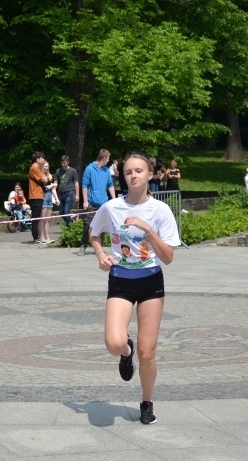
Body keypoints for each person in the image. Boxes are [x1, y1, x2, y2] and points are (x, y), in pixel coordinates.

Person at [88, 153, 180, 424]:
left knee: (147, 352)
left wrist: (148, 230)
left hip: (151, 280)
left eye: (139, 171)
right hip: (120, 279)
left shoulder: (160, 210)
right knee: (114, 343)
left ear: (150, 174)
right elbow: (94, 234)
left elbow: (168, 257)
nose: (134, 175)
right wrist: (100, 254)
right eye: (128, 172)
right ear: (123, 176)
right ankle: (125, 352)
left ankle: (147, 402)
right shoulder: (111, 207)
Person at [77, 148, 116, 256]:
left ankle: (99, 247)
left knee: (102, 226)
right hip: (92, 202)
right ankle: (83, 245)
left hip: (103, 203)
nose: (108, 160)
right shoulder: (90, 169)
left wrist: (114, 199)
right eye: (108, 158)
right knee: (88, 225)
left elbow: (110, 185)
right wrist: (85, 201)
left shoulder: (106, 170)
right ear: (103, 157)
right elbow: (84, 185)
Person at [27, 152, 47, 244]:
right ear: (37, 159)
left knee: (38, 217)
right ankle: (35, 237)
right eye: (42, 158)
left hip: (39, 195)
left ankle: (37, 237)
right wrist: (44, 175)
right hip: (35, 195)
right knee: (36, 217)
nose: (43, 160)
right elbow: (45, 180)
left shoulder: (37, 168)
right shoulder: (34, 168)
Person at [55, 155, 79, 226]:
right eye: (62, 163)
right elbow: (56, 182)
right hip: (60, 192)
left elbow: (76, 182)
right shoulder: (58, 171)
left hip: (69, 192)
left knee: (66, 211)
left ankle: (69, 226)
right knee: (61, 212)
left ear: (68, 162)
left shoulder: (72, 170)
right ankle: (71, 222)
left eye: (65, 163)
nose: (63, 165)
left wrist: (77, 194)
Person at [39, 161, 57, 244]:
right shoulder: (41, 177)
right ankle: (41, 237)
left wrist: (57, 198)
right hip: (44, 196)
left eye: (47, 166)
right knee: (42, 219)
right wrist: (52, 185)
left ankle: (47, 237)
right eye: (45, 166)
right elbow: (45, 188)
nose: (46, 168)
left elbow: (53, 188)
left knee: (47, 219)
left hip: (50, 197)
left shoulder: (50, 176)